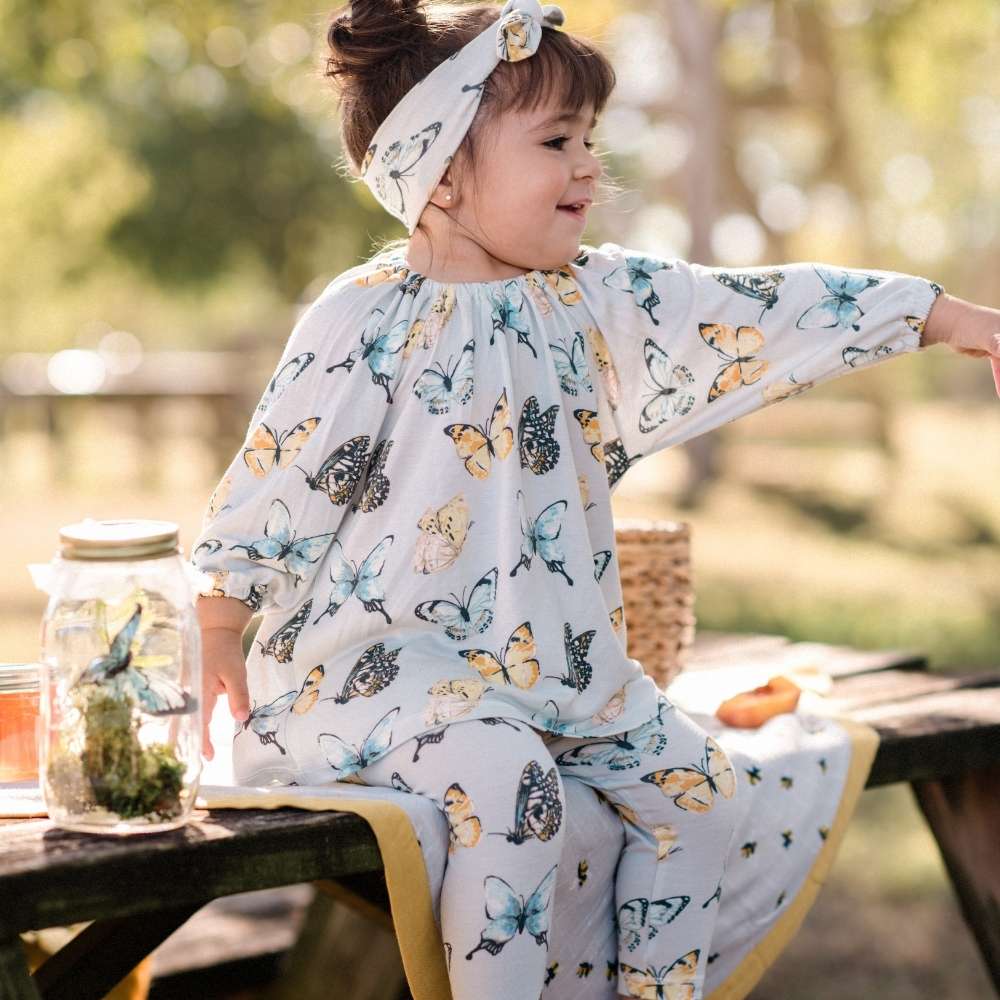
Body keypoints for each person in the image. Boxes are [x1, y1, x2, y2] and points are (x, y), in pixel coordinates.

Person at [189, 2, 1000, 998]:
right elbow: (281, 471)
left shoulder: (589, 299)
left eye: (589, 138)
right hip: (376, 671)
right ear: (440, 170)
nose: (587, 166)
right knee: (510, 785)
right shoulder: (364, 321)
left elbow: (758, 308)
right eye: (555, 140)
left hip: (560, 662)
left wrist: (937, 315)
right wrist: (222, 616)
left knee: (700, 792)